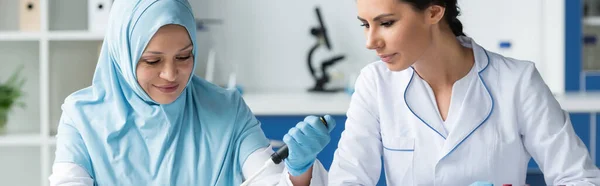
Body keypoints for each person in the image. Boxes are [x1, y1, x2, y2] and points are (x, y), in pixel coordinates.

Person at [48, 0, 334, 185]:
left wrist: (299, 171)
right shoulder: (81, 117)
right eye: (152, 61)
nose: (171, 75)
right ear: (123, 54)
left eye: (184, 57)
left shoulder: (227, 108)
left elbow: (267, 180)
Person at [328, 0, 600, 185]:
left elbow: (579, 177)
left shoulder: (517, 81)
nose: (370, 42)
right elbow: (348, 179)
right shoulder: (375, 83)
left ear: (434, 13)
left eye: (386, 23)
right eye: (365, 24)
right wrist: (300, 173)